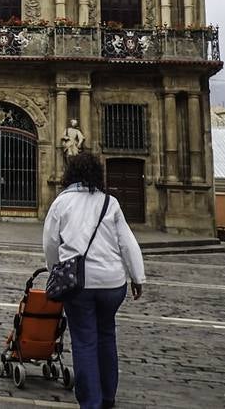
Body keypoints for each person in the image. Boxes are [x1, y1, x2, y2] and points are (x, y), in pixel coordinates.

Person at [43, 152, 146, 409]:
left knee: (84, 341)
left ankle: (91, 402)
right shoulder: (109, 202)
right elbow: (127, 242)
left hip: (78, 283)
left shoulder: (61, 203)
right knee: (106, 335)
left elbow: (51, 243)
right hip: (112, 284)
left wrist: (55, 270)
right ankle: (108, 396)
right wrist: (137, 276)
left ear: (70, 174)